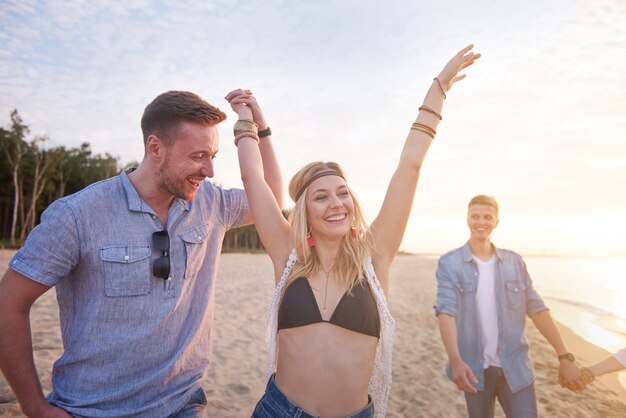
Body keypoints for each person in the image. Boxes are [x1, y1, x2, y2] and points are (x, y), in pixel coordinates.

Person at [226, 45, 480, 418]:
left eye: (343, 193)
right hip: (280, 411)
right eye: (322, 197)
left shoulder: (375, 256)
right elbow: (253, 178)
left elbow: (409, 165)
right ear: (305, 213)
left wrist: (437, 91)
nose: (336, 204)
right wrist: (251, 123)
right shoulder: (287, 254)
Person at [0, 90, 283, 417]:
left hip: (182, 405)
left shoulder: (212, 204)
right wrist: (35, 407)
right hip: (90, 410)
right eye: (198, 156)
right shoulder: (77, 215)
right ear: (155, 148)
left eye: (213, 156)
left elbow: (271, 200)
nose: (209, 171)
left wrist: (260, 128)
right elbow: (9, 304)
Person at [435, 194, 585, 418]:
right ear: (467, 219)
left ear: (497, 221)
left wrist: (565, 356)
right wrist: (455, 360)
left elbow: (537, 309)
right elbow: (446, 312)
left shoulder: (514, 262)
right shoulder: (450, 263)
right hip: (475, 371)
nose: (481, 222)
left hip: (516, 368)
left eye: (488, 217)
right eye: (475, 216)